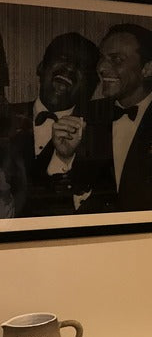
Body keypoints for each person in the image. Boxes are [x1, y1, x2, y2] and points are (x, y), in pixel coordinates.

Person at [75, 23, 152, 212]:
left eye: (116, 59)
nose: (101, 67)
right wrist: (63, 157)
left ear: (147, 69)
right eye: (101, 58)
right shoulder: (85, 113)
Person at [1, 32, 100, 217]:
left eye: (81, 66)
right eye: (62, 57)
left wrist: (65, 160)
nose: (70, 67)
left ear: (91, 85)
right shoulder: (3, 118)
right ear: (41, 66)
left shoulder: (100, 136)